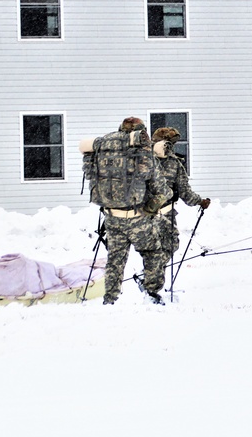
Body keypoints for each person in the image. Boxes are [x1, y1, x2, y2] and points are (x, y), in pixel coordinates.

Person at [86, 117, 172, 305]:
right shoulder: (142, 152)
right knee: (153, 252)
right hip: (136, 216)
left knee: (115, 259)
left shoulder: (104, 150)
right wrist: (151, 206)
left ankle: (110, 299)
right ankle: (152, 293)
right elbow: (163, 190)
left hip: (111, 216)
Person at [150, 127, 211, 289]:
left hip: (140, 213)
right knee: (170, 244)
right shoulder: (173, 163)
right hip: (164, 213)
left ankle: (152, 279)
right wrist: (200, 202)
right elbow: (185, 192)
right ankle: (152, 277)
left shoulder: (141, 160)